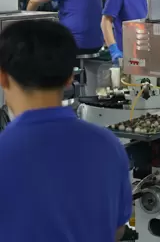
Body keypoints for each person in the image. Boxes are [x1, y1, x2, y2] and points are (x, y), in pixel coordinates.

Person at [0, 20, 131, 241]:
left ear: (2, 76)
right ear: (70, 77)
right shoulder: (108, 145)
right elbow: (118, 229)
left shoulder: (4, 151)